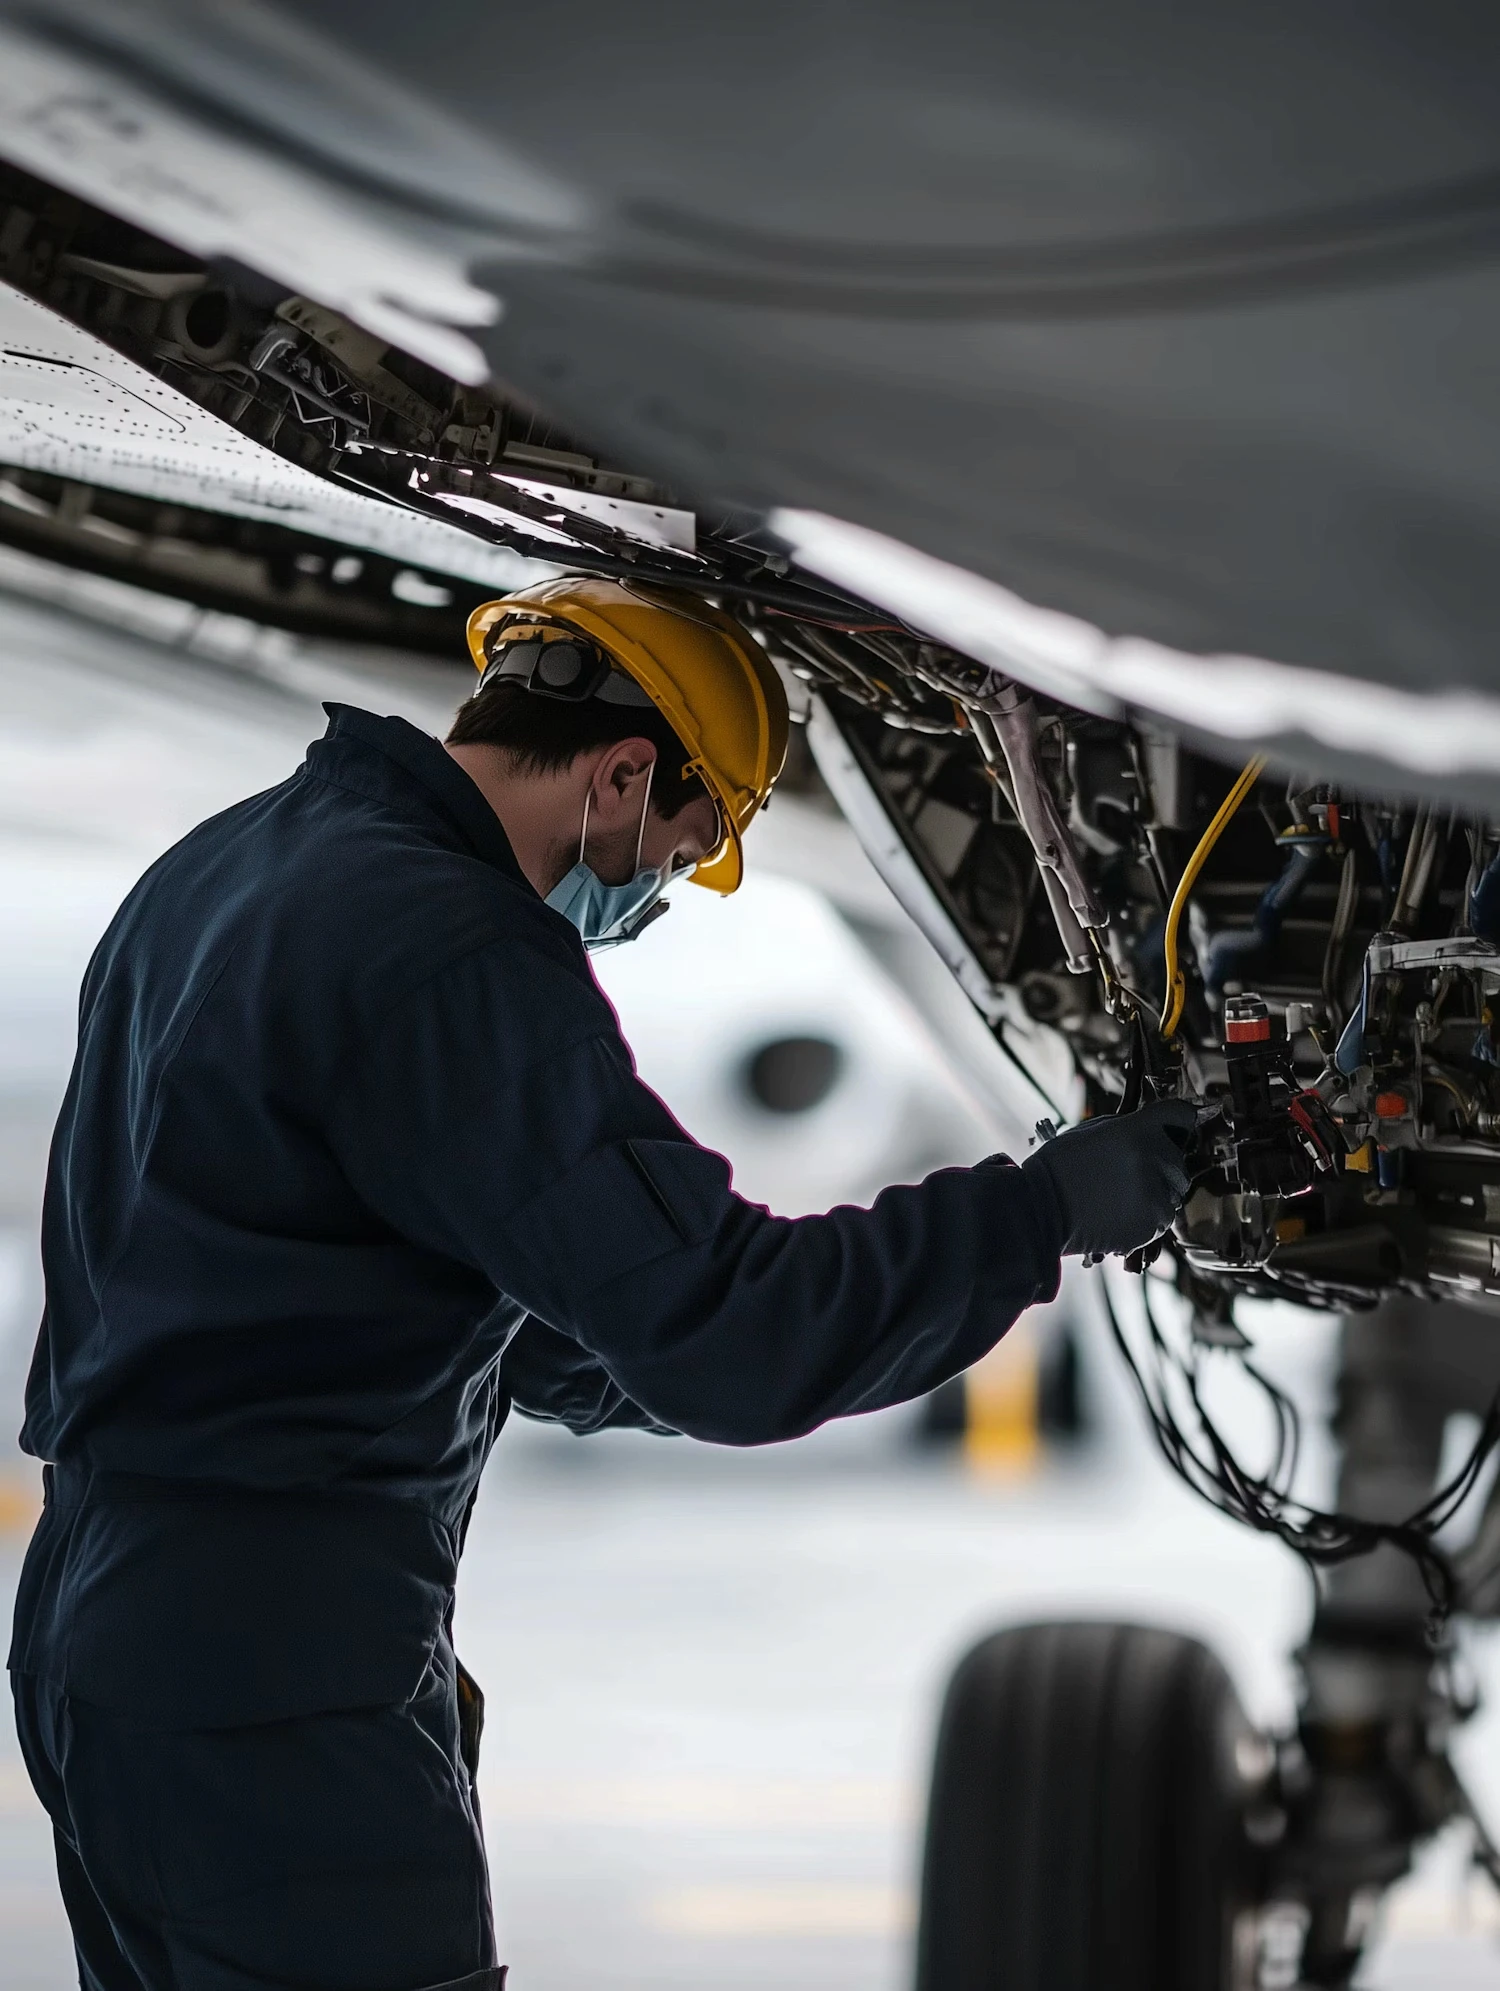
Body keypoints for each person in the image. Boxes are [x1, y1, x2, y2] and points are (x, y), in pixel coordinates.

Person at [8, 574, 1195, 1991]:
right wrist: (1045, 1209)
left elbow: (431, 1295)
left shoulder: (228, 866)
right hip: (271, 1662)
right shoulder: (453, 948)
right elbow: (733, 1332)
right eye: (685, 847)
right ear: (624, 772)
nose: (662, 888)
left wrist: (658, 1330)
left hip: (101, 1626)